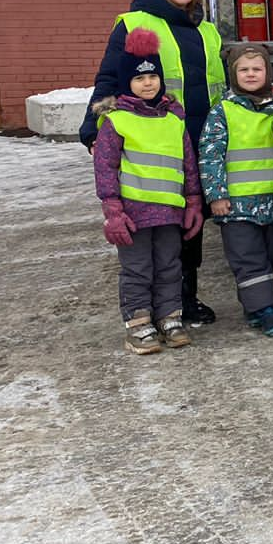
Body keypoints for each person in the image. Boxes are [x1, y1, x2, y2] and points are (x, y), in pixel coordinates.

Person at [82, 0, 226, 327]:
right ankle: (148, 308)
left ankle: (183, 300)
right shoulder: (134, 24)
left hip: (197, 138)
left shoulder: (207, 30)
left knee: (191, 221)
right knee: (155, 223)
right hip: (154, 139)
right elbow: (110, 77)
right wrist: (93, 125)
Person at [91, 27, 204, 354]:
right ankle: (138, 323)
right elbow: (105, 167)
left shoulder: (173, 119)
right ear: (127, 83)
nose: (147, 83)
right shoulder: (117, 120)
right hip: (133, 213)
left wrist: (194, 200)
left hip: (169, 211)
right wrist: (112, 210)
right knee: (138, 269)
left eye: (152, 76)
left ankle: (169, 317)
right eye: (139, 79)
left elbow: (188, 162)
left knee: (169, 266)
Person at [198, 42, 273, 337]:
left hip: (270, 201)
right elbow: (210, 155)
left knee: (267, 259)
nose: (251, 74)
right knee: (248, 259)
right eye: (243, 69)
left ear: (268, 72)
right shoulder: (223, 111)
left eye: (257, 69)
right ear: (233, 73)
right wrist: (217, 195)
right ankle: (267, 311)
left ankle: (253, 306)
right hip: (235, 203)